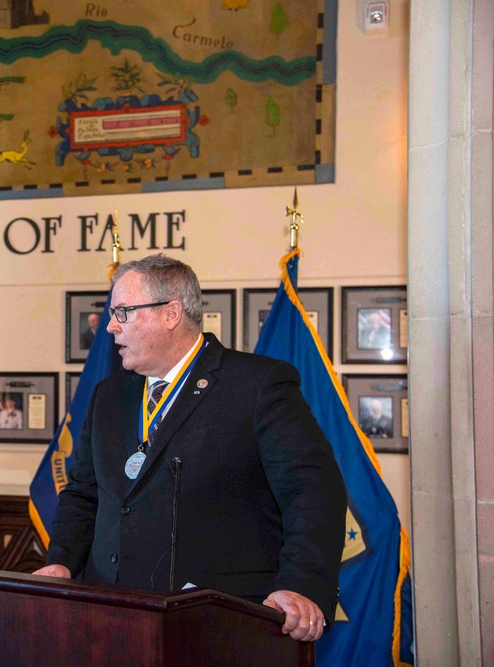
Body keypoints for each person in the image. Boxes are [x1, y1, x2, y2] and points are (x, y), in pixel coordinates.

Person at [33, 254, 347, 642]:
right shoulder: (108, 396)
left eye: (123, 312)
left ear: (171, 313)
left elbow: (313, 492)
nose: (111, 326)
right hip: (112, 617)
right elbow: (83, 494)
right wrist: (61, 562)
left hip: (217, 622)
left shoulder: (257, 386)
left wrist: (301, 586)